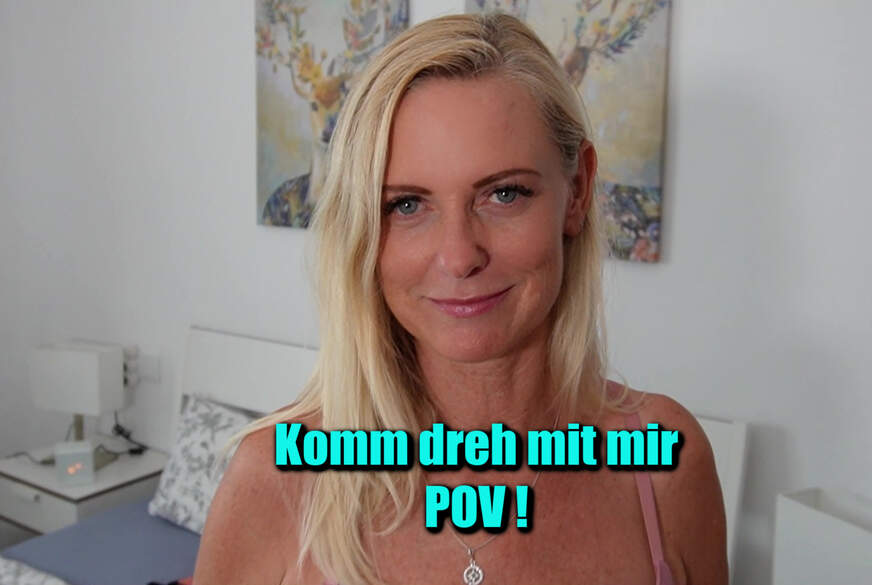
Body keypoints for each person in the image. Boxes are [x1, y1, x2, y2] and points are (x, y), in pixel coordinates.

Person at [193, 12, 727, 585]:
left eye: (504, 194)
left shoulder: (666, 466)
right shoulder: (273, 481)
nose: (458, 255)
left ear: (577, 192)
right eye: (406, 205)